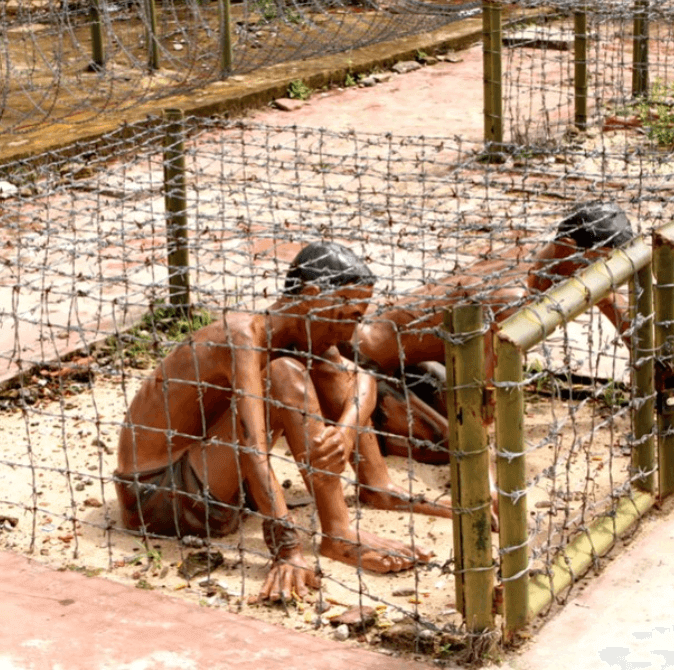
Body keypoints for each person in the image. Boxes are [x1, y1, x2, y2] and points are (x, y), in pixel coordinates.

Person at [114, 241, 448, 605]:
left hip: (214, 479)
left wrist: (346, 430)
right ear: (311, 295)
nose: (348, 333)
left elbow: (361, 380)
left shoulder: (301, 330)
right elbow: (250, 443)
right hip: (161, 498)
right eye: (347, 316)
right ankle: (337, 533)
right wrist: (286, 548)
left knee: (327, 372)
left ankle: (379, 487)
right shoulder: (244, 337)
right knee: (284, 375)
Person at [351, 204, 637, 464]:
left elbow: (624, 317)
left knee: (451, 414)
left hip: (414, 360)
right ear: (566, 246)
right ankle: (355, 424)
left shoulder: (547, 257)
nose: (607, 278)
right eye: (603, 265)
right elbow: (483, 404)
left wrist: (660, 385)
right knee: (451, 445)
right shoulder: (513, 298)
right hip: (363, 360)